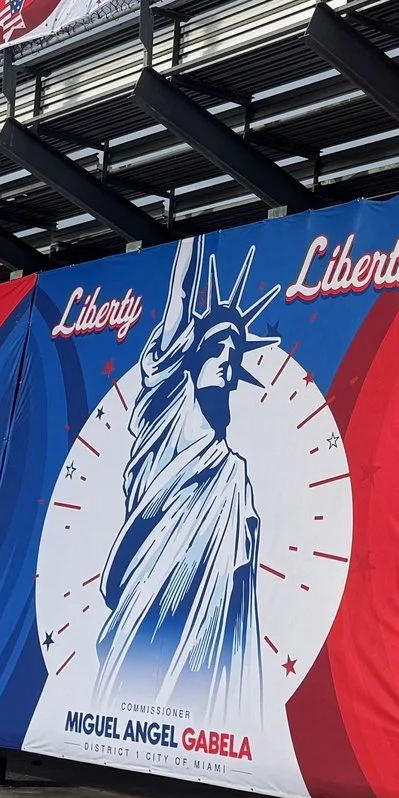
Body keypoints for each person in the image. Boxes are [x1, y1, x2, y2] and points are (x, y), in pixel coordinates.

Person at [91, 238, 281, 733]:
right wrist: (193, 235)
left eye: (233, 352)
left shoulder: (231, 468)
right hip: (144, 587)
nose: (225, 358)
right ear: (188, 358)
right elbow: (178, 298)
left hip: (205, 625)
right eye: (215, 347)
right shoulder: (166, 404)